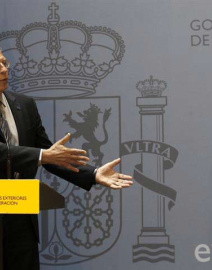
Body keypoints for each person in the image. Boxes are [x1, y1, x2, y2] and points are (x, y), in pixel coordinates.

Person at [0, 49, 133, 270]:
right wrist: (42, 156)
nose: (4, 70)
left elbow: (51, 154)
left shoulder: (23, 104)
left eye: (5, 63)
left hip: (19, 215)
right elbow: (39, 155)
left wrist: (92, 173)